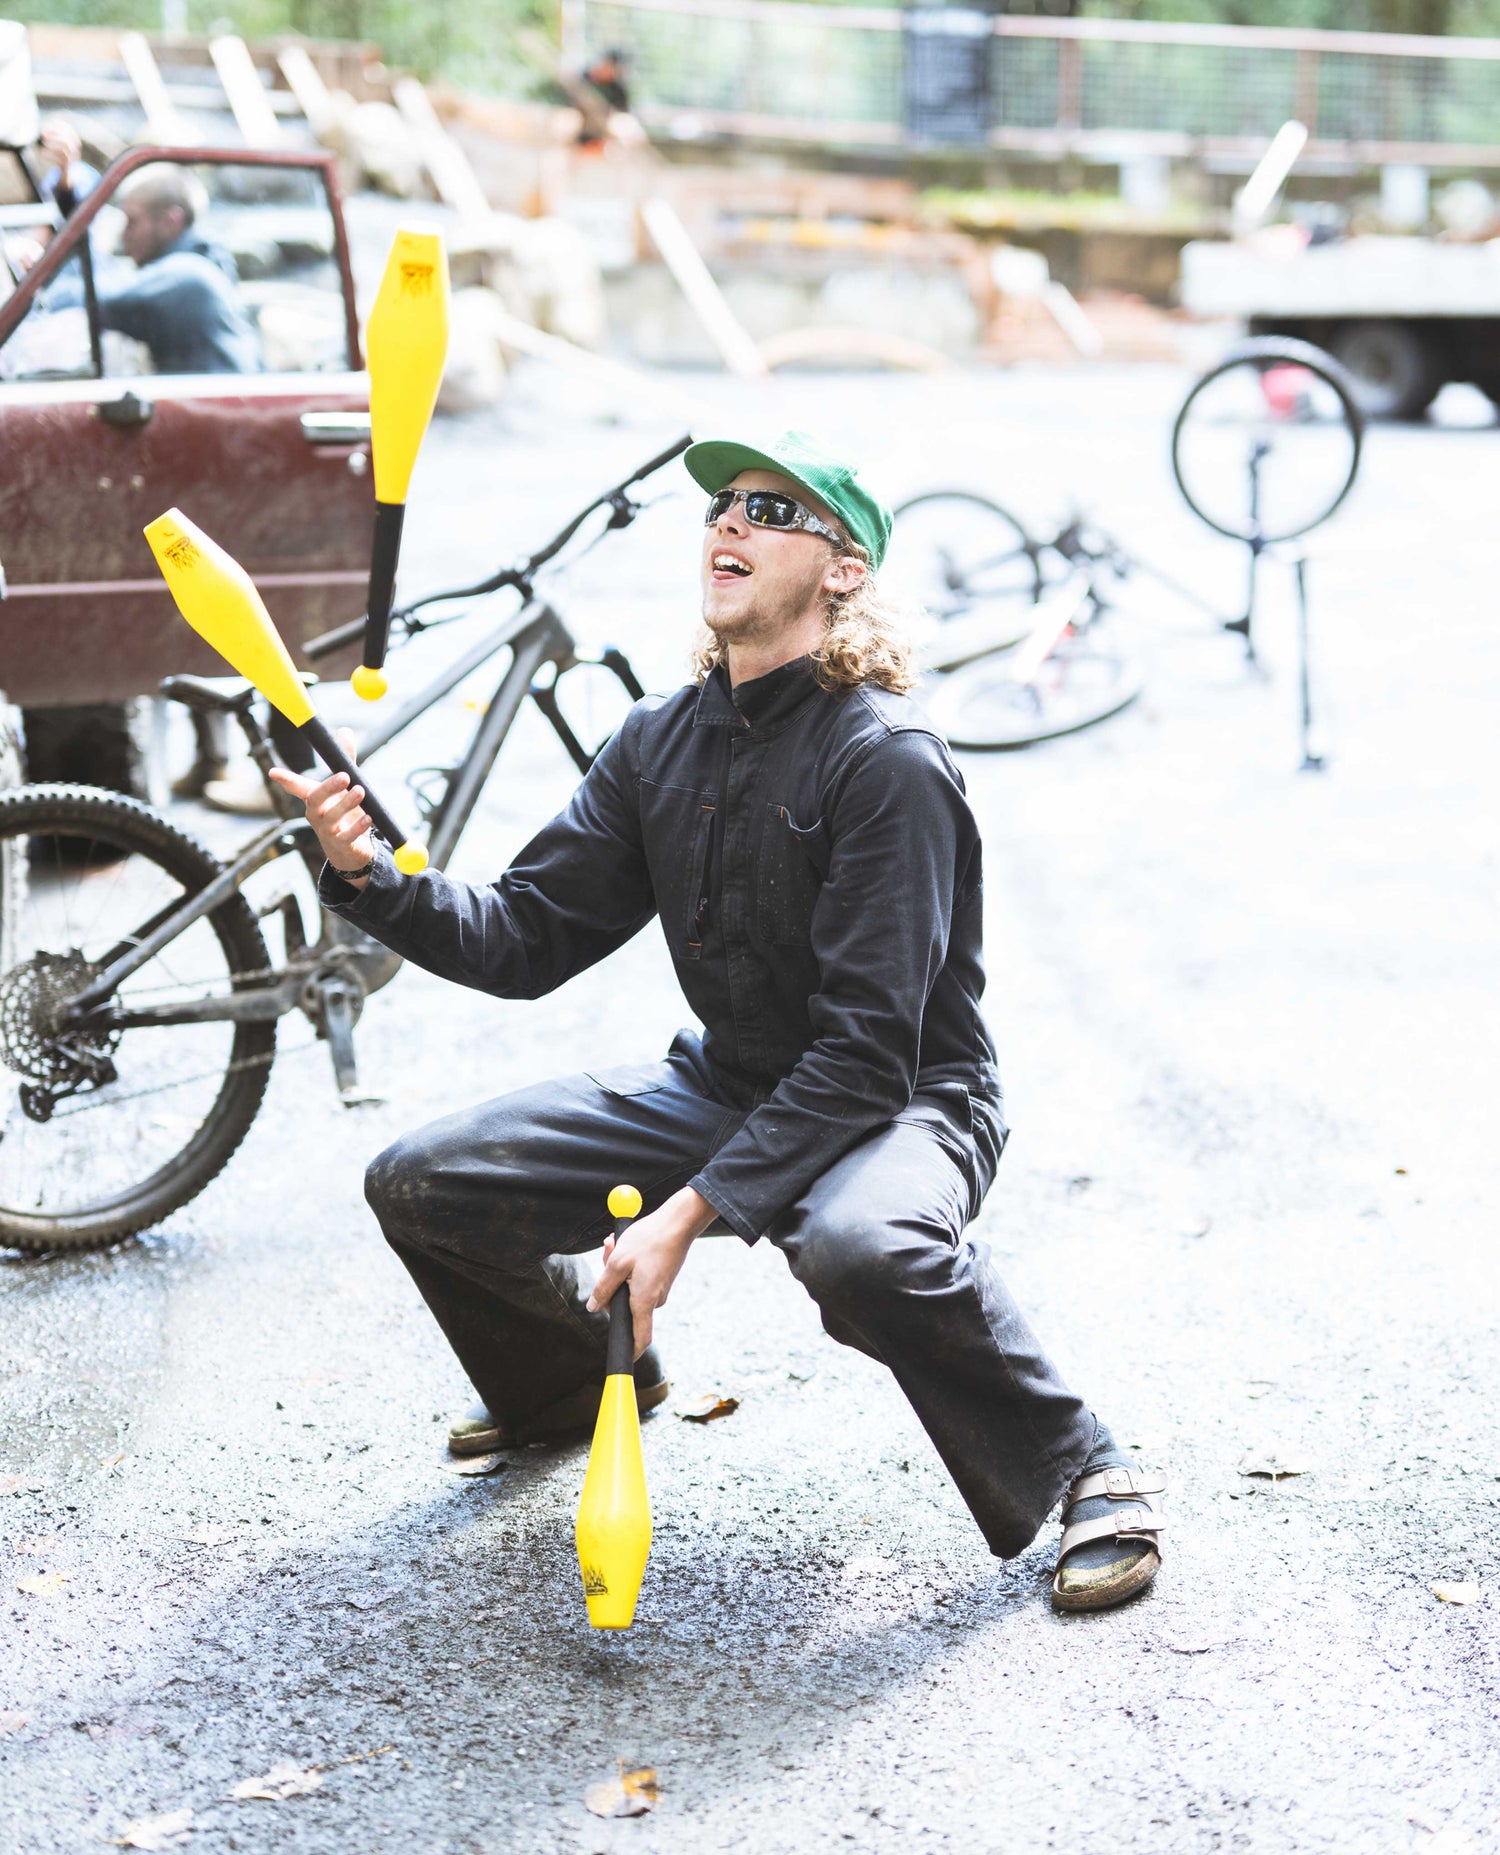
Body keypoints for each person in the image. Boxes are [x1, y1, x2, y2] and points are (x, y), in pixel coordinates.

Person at [271, 432, 1167, 1612]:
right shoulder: (661, 738)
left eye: (767, 510)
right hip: (734, 1082)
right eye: (719, 509)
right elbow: (525, 938)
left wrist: (683, 1219)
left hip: (900, 1103)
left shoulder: (887, 762)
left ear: (843, 570)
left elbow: (865, 1055)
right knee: (423, 1181)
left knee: (862, 1248)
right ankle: (567, 1388)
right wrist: (370, 874)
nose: (726, 524)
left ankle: (1087, 1469)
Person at [46, 163, 259, 377]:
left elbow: (95, 299)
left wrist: (37, 290)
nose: (123, 237)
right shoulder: (197, 270)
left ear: (170, 221)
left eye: (132, 222)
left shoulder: (187, 277)